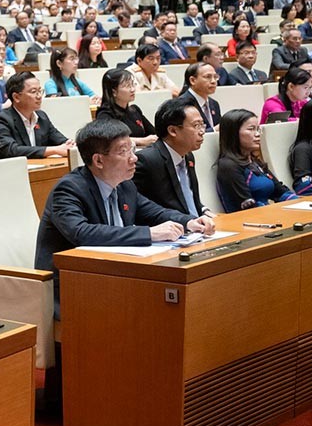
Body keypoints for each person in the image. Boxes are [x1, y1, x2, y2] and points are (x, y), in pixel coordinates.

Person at [34, 117, 213, 305]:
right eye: (123, 151)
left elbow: (155, 212)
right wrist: (149, 233)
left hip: (115, 278)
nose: (134, 158)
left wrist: (189, 222)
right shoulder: (69, 189)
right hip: (72, 289)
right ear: (98, 160)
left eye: (132, 149)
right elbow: (81, 233)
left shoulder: (125, 186)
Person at [132, 98, 213, 219]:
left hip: (198, 228)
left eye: (202, 125)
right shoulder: (147, 161)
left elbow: (188, 198)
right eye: (196, 125)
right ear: (173, 131)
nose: (202, 132)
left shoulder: (188, 156)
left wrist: (203, 210)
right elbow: (138, 207)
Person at [215, 109, 296, 211]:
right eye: (251, 129)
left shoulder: (254, 161)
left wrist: (300, 203)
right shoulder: (228, 165)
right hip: (249, 221)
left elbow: (280, 191)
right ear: (234, 133)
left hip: (268, 214)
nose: (257, 134)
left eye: (258, 129)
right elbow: (247, 206)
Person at [0, 72, 74, 160]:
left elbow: (61, 141)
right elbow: (10, 150)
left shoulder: (41, 117)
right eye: (33, 92)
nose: (39, 96)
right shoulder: (1, 121)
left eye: (40, 91)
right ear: (16, 97)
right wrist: (54, 150)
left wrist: (69, 145)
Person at [96, 68, 157, 148]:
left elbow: (153, 132)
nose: (132, 89)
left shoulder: (135, 110)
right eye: (127, 86)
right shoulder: (105, 114)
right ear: (113, 92)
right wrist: (143, 141)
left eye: (133, 85)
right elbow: (111, 139)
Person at [178, 61, 222, 132]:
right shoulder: (181, 104)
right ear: (192, 80)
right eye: (208, 77)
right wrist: (214, 130)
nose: (213, 81)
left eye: (215, 77)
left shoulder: (214, 103)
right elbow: (186, 134)